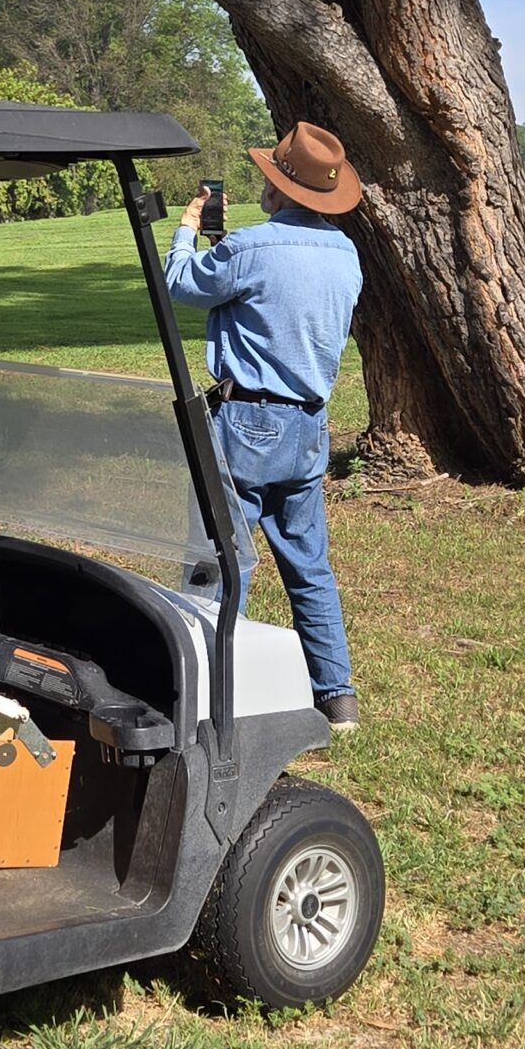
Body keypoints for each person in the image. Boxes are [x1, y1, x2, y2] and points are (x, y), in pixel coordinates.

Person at [163, 122, 365, 734]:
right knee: (309, 564)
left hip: (247, 420)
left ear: (279, 186)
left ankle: (206, 691)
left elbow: (181, 284)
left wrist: (187, 230)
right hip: (310, 425)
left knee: (221, 559)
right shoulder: (346, 253)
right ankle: (336, 696)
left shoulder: (252, 247)